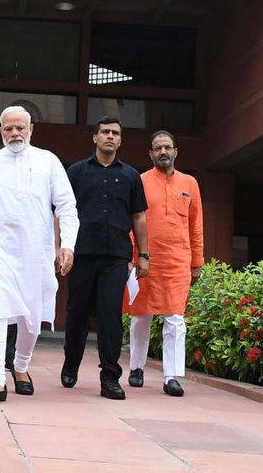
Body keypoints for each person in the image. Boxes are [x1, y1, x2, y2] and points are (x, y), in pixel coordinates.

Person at [0, 105, 78, 404]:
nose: (14, 133)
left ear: (31, 129)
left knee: (31, 315)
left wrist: (67, 244)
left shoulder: (48, 161)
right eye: (8, 128)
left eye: (20, 128)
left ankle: (20, 367)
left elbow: (66, 206)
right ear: (0, 131)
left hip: (35, 250)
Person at [62, 116, 149, 400]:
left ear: (121, 140)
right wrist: (59, 248)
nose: (109, 136)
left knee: (111, 316)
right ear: (95, 137)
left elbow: (139, 217)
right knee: (76, 314)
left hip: (116, 257)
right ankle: (71, 362)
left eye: (115, 133)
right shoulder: (76, 171)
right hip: (82, 254)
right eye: (105, 132)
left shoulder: (131, 176)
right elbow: (61, 212)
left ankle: (110, 377)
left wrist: (143, 255)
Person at [127, 130, 203, 397]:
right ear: (150, 154)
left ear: (175, 152)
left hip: (178, 261)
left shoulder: (190, 183)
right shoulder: (140, 181)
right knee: (140, 317)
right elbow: (132, 222)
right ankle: (136, 367)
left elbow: (196, 225)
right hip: (146, 259)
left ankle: (171, 375)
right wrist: (133, 257)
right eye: (157, 148)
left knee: (175, 319)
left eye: (167, 147)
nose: (163, 152)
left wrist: (197, 261)